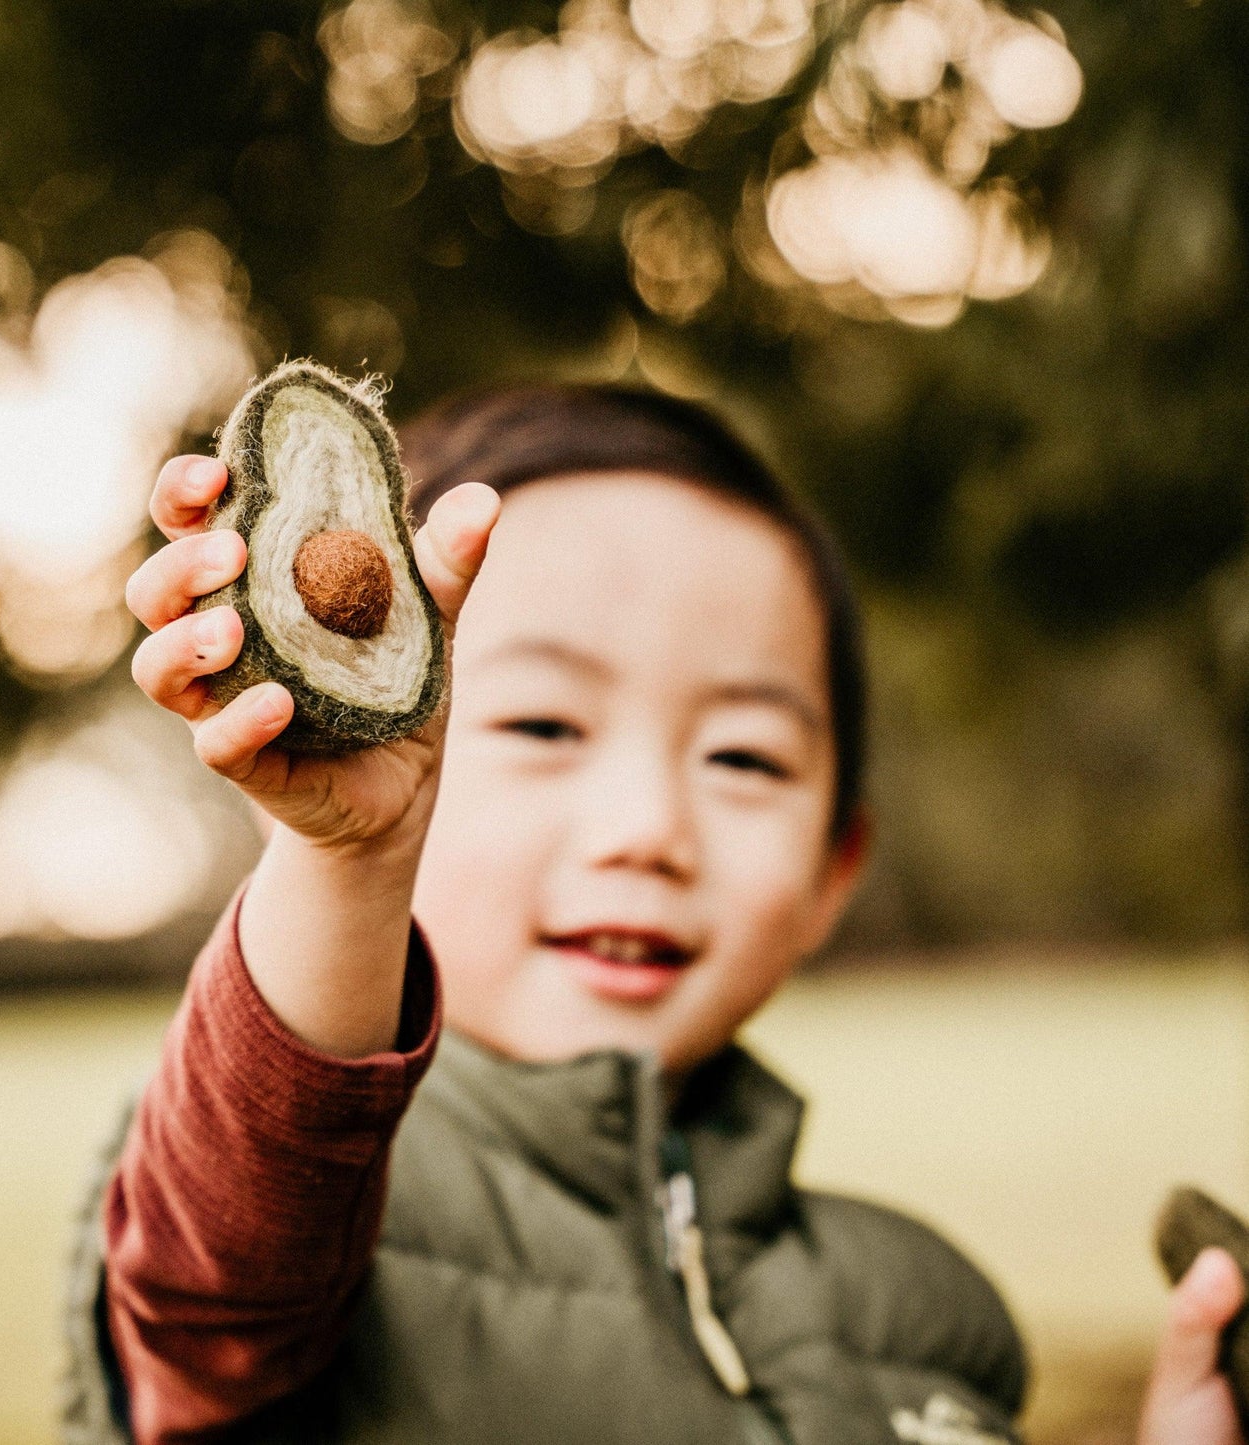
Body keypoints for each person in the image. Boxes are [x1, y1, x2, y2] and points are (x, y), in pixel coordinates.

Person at [63, 383, 1246, 1445]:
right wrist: (349, 861)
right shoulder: (284, 1218)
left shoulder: (930, 1317)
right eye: (540, 726)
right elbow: (215, 1290)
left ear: (836, 865)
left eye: (741, 754)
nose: (645, 828)